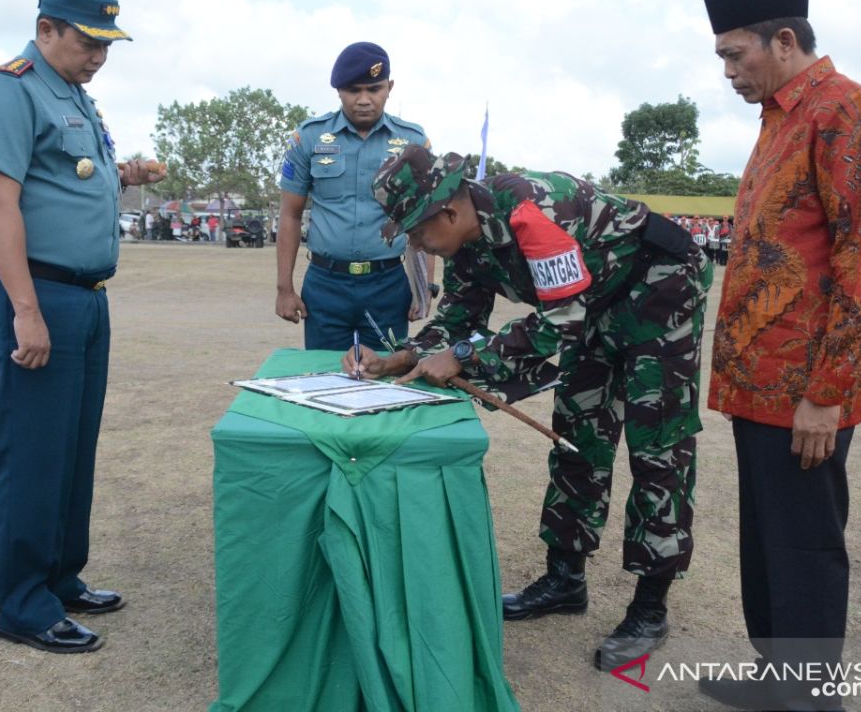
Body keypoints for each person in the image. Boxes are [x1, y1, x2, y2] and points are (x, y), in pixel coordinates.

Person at [343, 145, 712, 672]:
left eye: (418, 232)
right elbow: (458, 321)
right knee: (578, 436)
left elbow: (560, 322)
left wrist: (466, 356)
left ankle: (650, 608)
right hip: (594, 301)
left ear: (449, 212)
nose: (417, 243)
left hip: (659, 288)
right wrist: (400, 356)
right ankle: (565, 580)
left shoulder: (530, 212)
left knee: (659, 448)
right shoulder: (466, 242)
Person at [701, 0, 861, 710]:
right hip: (759, 383)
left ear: (785, 42)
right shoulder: (781, 115)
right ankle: (776, 681)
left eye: (735, 55)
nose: (728, 74)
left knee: (806, 547)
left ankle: (812, 700)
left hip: (805, 391)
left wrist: (826, 395)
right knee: (766, 542)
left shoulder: (845, 112)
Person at [0, 0, 163, 654]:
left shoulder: (74, 97)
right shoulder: (10, 89)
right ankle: (23, 603)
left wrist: (127, 172)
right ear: (47, 27)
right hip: (34, 296)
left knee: (72, 451)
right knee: (33, 453)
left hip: (83, 298)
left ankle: (59, 576)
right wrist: (25, 310)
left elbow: (74, 178)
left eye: (108, 44)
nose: (99, 56)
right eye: (88, 41)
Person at [275, 42, 434, 350]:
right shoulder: (308, 138)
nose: (364, 100)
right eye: (353, 90)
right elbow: (289, 215)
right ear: (338, 91)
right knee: (324, 382)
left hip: (387, 285)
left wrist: (423, 287)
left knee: (386, 380)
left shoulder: (413, 142)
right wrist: (284, 288)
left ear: (389, 87)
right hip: (325, 284)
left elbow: (424, 220)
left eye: (374, 89)